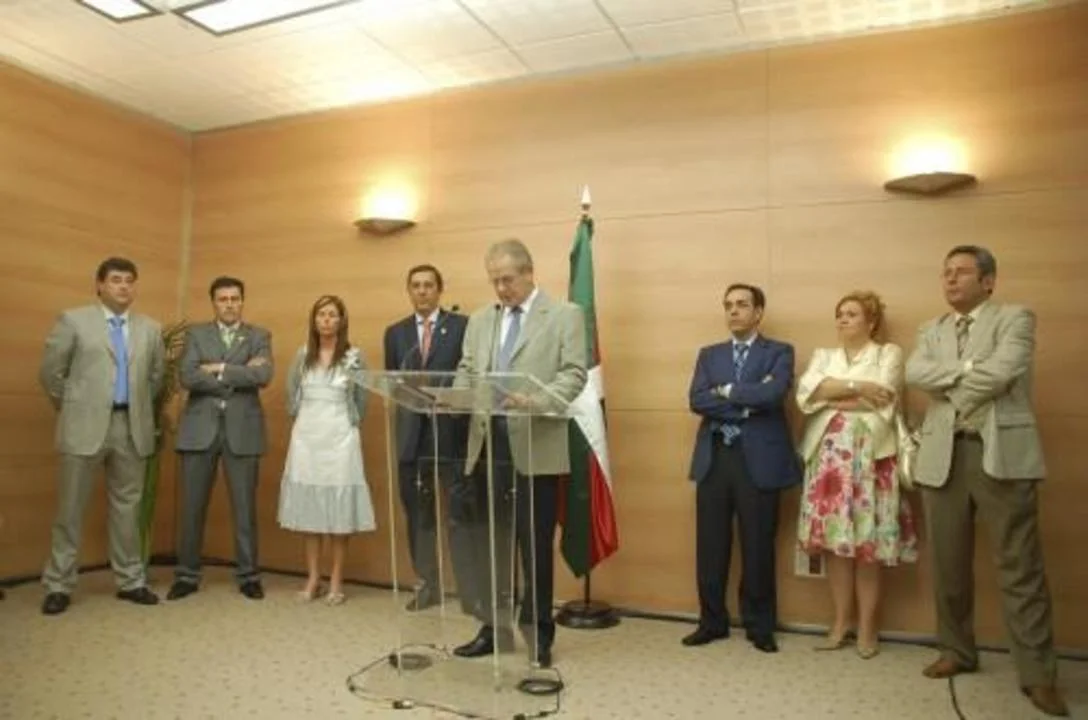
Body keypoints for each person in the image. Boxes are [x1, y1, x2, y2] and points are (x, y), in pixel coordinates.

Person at [905, 245, 1067, 717]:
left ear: (989, 281)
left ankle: (1038, 676)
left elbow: (1004, 372)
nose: (951, 279)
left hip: (1001, 454)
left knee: (1020, 566)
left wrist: (951, 387)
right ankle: (956, 651)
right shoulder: (930, 329)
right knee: (948, 565)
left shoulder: (1015, 318)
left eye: (962, 272)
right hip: (942, 455)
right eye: (946, 272)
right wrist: (969, 371)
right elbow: (915, 372)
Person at [452, 239, 587, 669]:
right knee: (491, 546)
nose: (501, 289)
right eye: (494, 281)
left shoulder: (564, 315)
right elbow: (466, 370)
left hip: (534, 441)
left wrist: (537, 400)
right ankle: (493, 630)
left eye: (507, 279)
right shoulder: (480, 320)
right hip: (487, 444)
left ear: (529, 272)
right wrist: (455, 395)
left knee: (534, 546)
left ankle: (538, 633)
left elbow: (574, 374)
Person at [795, 290, 918, 659]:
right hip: (829, 460)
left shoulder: (888, 354)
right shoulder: (824, 356)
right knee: (836, 546)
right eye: (840, 314)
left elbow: (885, 397)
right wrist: (858, 388)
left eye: (852, 314)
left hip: (872, 460)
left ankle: (867, 628)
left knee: (868, 547)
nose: (843, 320)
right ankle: (840, 624)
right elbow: (807, 396)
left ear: (871, 321)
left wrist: (832, 396)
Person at [38, 257, 165, 615]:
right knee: (70, 509)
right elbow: (51, 374)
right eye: (116, 280)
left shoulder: (151, 329)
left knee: (127, 509)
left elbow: (155, 379)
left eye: (129, 281)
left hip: (131, 427)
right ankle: (59, 584)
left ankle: (130, 581)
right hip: (83, 427)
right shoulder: (73, 321)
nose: (123, 286)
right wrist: (75, 407)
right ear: (99, 285)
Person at [683, 283, 800, 653]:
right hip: (716, 457)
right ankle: (711, 621)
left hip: (759, 460)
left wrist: (727, 391)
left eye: (742, 305)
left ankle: (759, 625)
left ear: (758, 312)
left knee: (758, 545)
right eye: (728, 305)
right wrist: (747, 403)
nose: (733, 311)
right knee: (711, 546)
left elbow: (773, 394)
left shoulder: (779, 351)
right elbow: (697, 400)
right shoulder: (709, 355)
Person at [169, 276, 273, 602]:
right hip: (199, 431)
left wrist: (217, 368)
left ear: (242, 301)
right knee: (192, 507)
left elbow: (263, 375)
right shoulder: (196, 334)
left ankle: (248, 575)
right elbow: (187, 376)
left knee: (245, 509)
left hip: (243, 432)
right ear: (213, 303)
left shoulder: (259, 335)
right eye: (223, 299)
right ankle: (186, 575)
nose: (229, 304)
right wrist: (237, 374)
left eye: (234, 298)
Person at [382, 265, 471, 612]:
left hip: (451, 433)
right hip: (412, 436)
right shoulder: (395, 333)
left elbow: (468, 374)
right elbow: (393, 381)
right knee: (418, 514)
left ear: (439, 290)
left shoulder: (461, 326)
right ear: (409, 291)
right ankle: (428, 584)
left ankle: (469, 587)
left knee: (460, 513)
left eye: (428, 285)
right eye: (416, 286)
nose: (422, 291)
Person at [278, 295, 375, 605]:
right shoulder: (302, 355)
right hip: (307, 439)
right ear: (314, 320)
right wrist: (305, 425)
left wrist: (348, 426)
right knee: (311, 512)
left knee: (338, 512)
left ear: (342, 320)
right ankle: (313, 578)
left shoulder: (355, 357)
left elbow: (362, 400)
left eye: (333, 315)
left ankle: (336, 580)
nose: (327, 320)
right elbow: (291, 394)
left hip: (341, 439)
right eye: (322, 314)